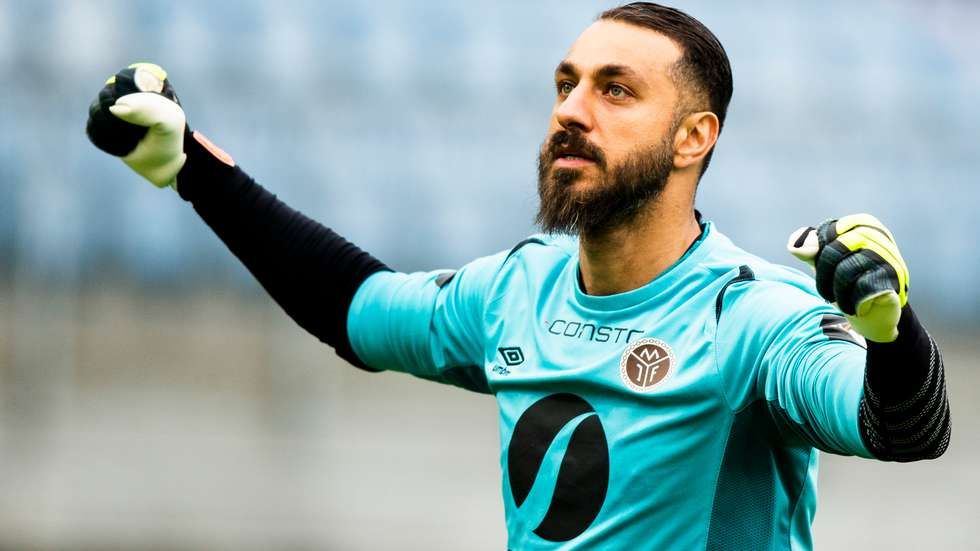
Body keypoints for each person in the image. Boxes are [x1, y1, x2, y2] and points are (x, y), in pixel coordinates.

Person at [85, 3, 950, 549]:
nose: (571, 109)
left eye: (615, 90)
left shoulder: (750, 317)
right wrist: (192, 169)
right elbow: (353, 306)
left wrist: (891, 331)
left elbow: (904, 427)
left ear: (694, 138)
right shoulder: (518, 290)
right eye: (566, 84)